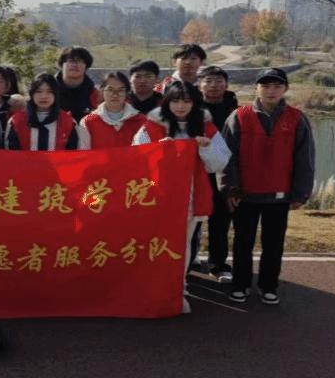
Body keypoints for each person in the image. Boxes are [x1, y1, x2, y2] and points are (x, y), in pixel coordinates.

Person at [221, 67, 315, 306]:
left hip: (279, 195)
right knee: (242, 242)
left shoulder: (297, 118)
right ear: (256, 88)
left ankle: (268, 286)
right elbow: (226, 156)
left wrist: (301, 193)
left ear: (285, 89)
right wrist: (230, 188)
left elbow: (305, 158)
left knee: (274, 244)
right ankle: (240, 285)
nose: (271, 91)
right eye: (265, 86)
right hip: (245, 194)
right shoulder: (239, 116)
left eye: (277, 86)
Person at [133, 81, 230, 312]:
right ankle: (153, 285)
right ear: (167, 102)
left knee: (182, 243)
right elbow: (136, 157)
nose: (180, 106)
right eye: (175, 100)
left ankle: (178, 287)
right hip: (158, 196)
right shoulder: (153, 124)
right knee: (155, 241)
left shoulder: (205, 126)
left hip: (190, 196)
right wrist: (159, 150)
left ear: (195, 103)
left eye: (186, 101)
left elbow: (221, 162)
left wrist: (205, 148)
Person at [198, 65, 240, 282]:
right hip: (197, 173)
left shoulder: (237, 112)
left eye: (218, 81)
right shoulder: (191, 109)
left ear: (226, 85)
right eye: (208, 81)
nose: (213, 86)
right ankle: (187, 261)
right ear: (200, 85)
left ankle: (218, 264)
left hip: (225, 172)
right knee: (191, 220)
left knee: (221, 221)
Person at [6, 73, 78, 150]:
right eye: (39, 91)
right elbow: (11, 154)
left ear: (56, 94)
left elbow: (75, 154)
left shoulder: (69, 121)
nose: (44, 96)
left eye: (49, 91)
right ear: (32, 94)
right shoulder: (16, 121)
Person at [76, 72, 147, 149]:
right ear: (102, 91)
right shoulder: (88, 122)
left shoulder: (142, 121)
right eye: (110, 90)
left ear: (126, 92)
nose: (115, 95)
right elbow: (84, 154)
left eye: (120, 90)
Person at [53, 45, 101, 122]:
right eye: (71, 61)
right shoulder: (49, 91)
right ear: (62, 64)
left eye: (80, 61)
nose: (75, 64)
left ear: (86, 66)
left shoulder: (95, 94)